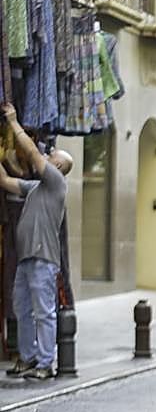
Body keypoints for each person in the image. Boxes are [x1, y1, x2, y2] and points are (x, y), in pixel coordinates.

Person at [0, 102, 72, 381]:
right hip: (27, 257)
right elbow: (6, 183)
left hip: (43, 258)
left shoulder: (55, 181)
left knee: (43, 312)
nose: (47, 152)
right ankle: (29, 359)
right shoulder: (36, 188)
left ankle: (45, 362)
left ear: (57, 165)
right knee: (22, 308)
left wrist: (14, 122)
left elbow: (30, 152)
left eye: (52, 153)